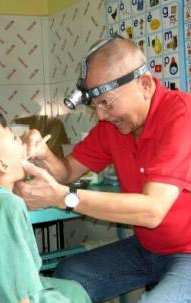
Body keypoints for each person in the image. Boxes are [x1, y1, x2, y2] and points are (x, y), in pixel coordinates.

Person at [14, 35, 191, 303]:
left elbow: (152, 210)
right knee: (68, 276)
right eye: (95, 106)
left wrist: (62, 197)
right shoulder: (113, 126)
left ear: (144, 85)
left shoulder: (181, 116)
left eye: (107, 102)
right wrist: (43, 153)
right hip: (147, 248)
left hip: (188, 253)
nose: (101, 115)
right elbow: (66, 172)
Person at [0, 107, 91, 303]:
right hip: (16, 297)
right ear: (2, 165)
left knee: (72, 288)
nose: (23, 143)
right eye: (14, 139)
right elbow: (17, 273)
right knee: (76, 295)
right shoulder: (9, 204)